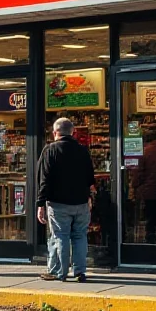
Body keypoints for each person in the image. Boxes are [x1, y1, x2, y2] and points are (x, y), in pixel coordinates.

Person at [36, 117, 95, 282]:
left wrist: (40, 204)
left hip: (58, 202)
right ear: (73, 132)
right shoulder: (83, 151)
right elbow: (90, 178)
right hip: (81, 202)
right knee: (80, 236)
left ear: (55, 133)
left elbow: (44, 180)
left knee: (60, 236)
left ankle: (59, 272)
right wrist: (89, 197)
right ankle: (80, 271)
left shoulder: (50, 150)